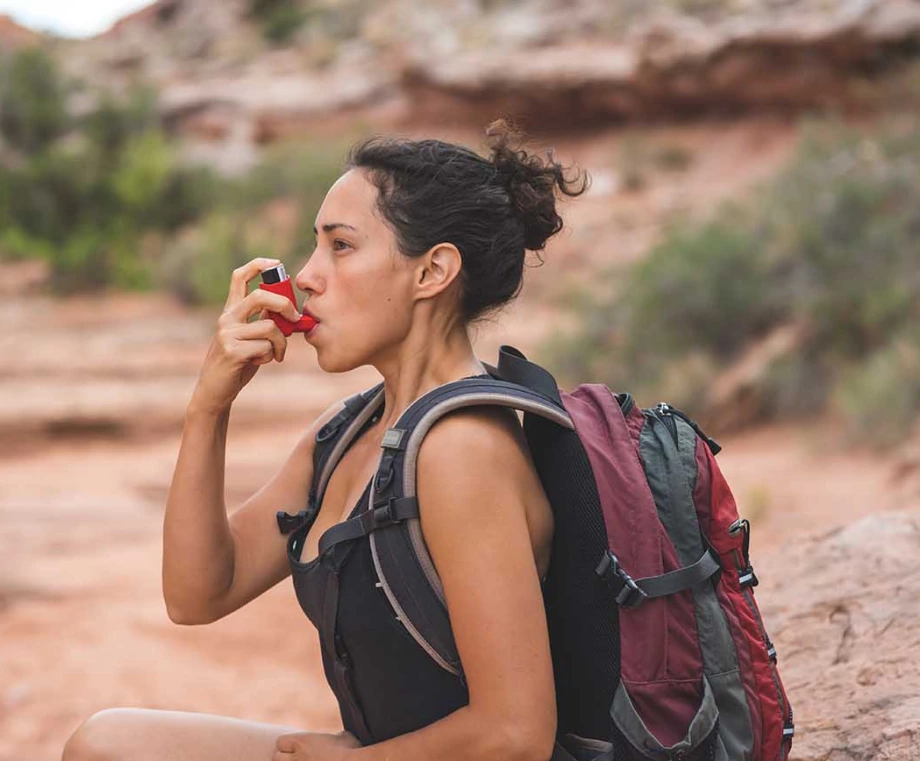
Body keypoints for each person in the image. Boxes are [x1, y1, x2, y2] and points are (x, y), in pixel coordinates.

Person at [62, 121, 589, 761]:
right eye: (315, 248)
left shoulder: (462, 449)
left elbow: (515, 734)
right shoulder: (345, 433)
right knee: (109, 743)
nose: (306, 278)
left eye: (340, 247)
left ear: (433, 271)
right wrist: (210, 405)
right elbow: (198, 593)